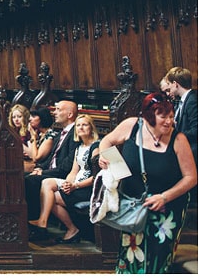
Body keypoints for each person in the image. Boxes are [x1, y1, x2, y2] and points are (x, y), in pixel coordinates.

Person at [98, 93, 197, 273]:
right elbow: (107, 140)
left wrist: (164, 197)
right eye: (163, 116)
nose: (169, 121)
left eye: (171, 116)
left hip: (166, 209)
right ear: (149, 116)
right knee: (131, 254)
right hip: (134, 205)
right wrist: (105, 155)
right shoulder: (132, 126)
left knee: (158, 258)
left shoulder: (178, 139)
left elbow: (191, 177)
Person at [29, 114, 100, 243]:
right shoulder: (79, 148)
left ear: (92, 128)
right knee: (46, 183)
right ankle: (44, 222)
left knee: (51, 198)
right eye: (78, 125)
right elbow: (74, 171)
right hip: (76, 184)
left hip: (88, 188)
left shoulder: (97, 146)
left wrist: (75, 186)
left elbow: (98, 177)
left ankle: (70, 229)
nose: (81, 128)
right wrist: (68, 183)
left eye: (85, 125)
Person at [26, 100, 78, 224]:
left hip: (63, 175)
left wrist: (43, 172)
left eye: (59, 109)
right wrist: (40, 168)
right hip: (53, 171)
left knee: (30, 181)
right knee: (24, 176)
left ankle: (36, 223)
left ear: (70, 114)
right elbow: (52, 157)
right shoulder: (61, 132)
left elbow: (67, 165)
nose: (54, 112)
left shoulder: (75, 133)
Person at [165, 66, 197, 162]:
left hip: (194, 152)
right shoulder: (183, 100)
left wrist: (174, 135)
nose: (168, 87)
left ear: (175, 84)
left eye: (169, 84)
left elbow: (196, 130)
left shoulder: (192, 100)